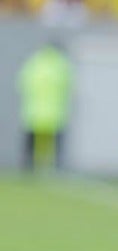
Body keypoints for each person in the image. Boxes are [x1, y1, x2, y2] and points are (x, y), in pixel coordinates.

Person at [16, 40, 73, 172]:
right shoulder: (61, 64)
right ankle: (57, 167)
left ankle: (27, 166)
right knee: (57, 142)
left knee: (30, 141)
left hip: (33, 110)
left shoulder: (34, 63)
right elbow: (69, 87)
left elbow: (21, 83)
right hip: (55, 111)